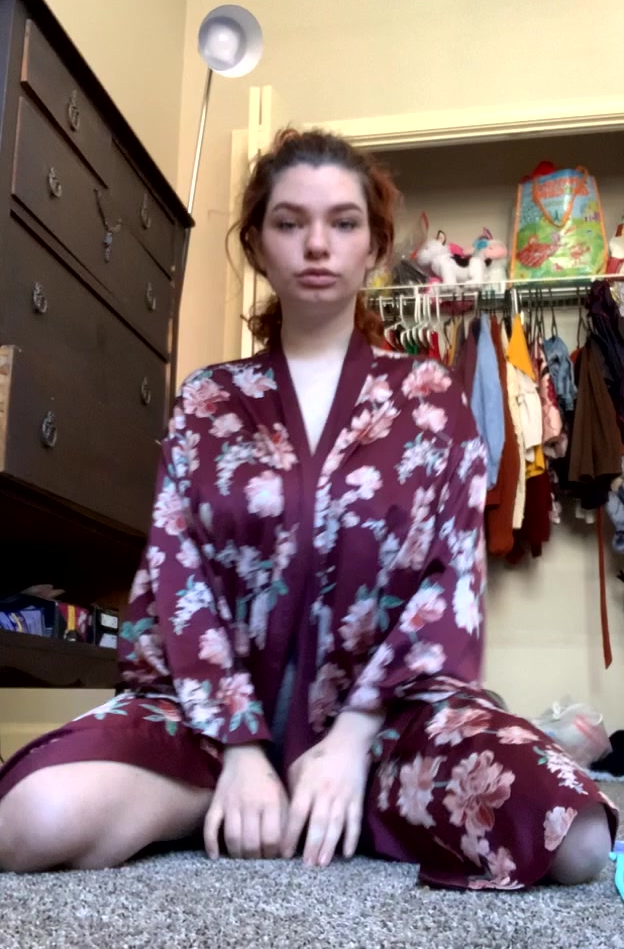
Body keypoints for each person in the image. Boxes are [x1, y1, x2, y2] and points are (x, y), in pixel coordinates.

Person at [0, 128, 618, 888]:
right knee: (29, 819)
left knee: (575, 836)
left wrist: (353, 738)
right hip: (206, 724)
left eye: (343, 222)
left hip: (391, 728)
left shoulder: (431, 402)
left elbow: (450, 583)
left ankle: (345, 795)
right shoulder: (209, 401)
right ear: (258, 245)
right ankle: (230, 798)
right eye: (290, 222)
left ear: (375, 246)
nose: (317, 244)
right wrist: (240, 750)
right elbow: (177, 580)